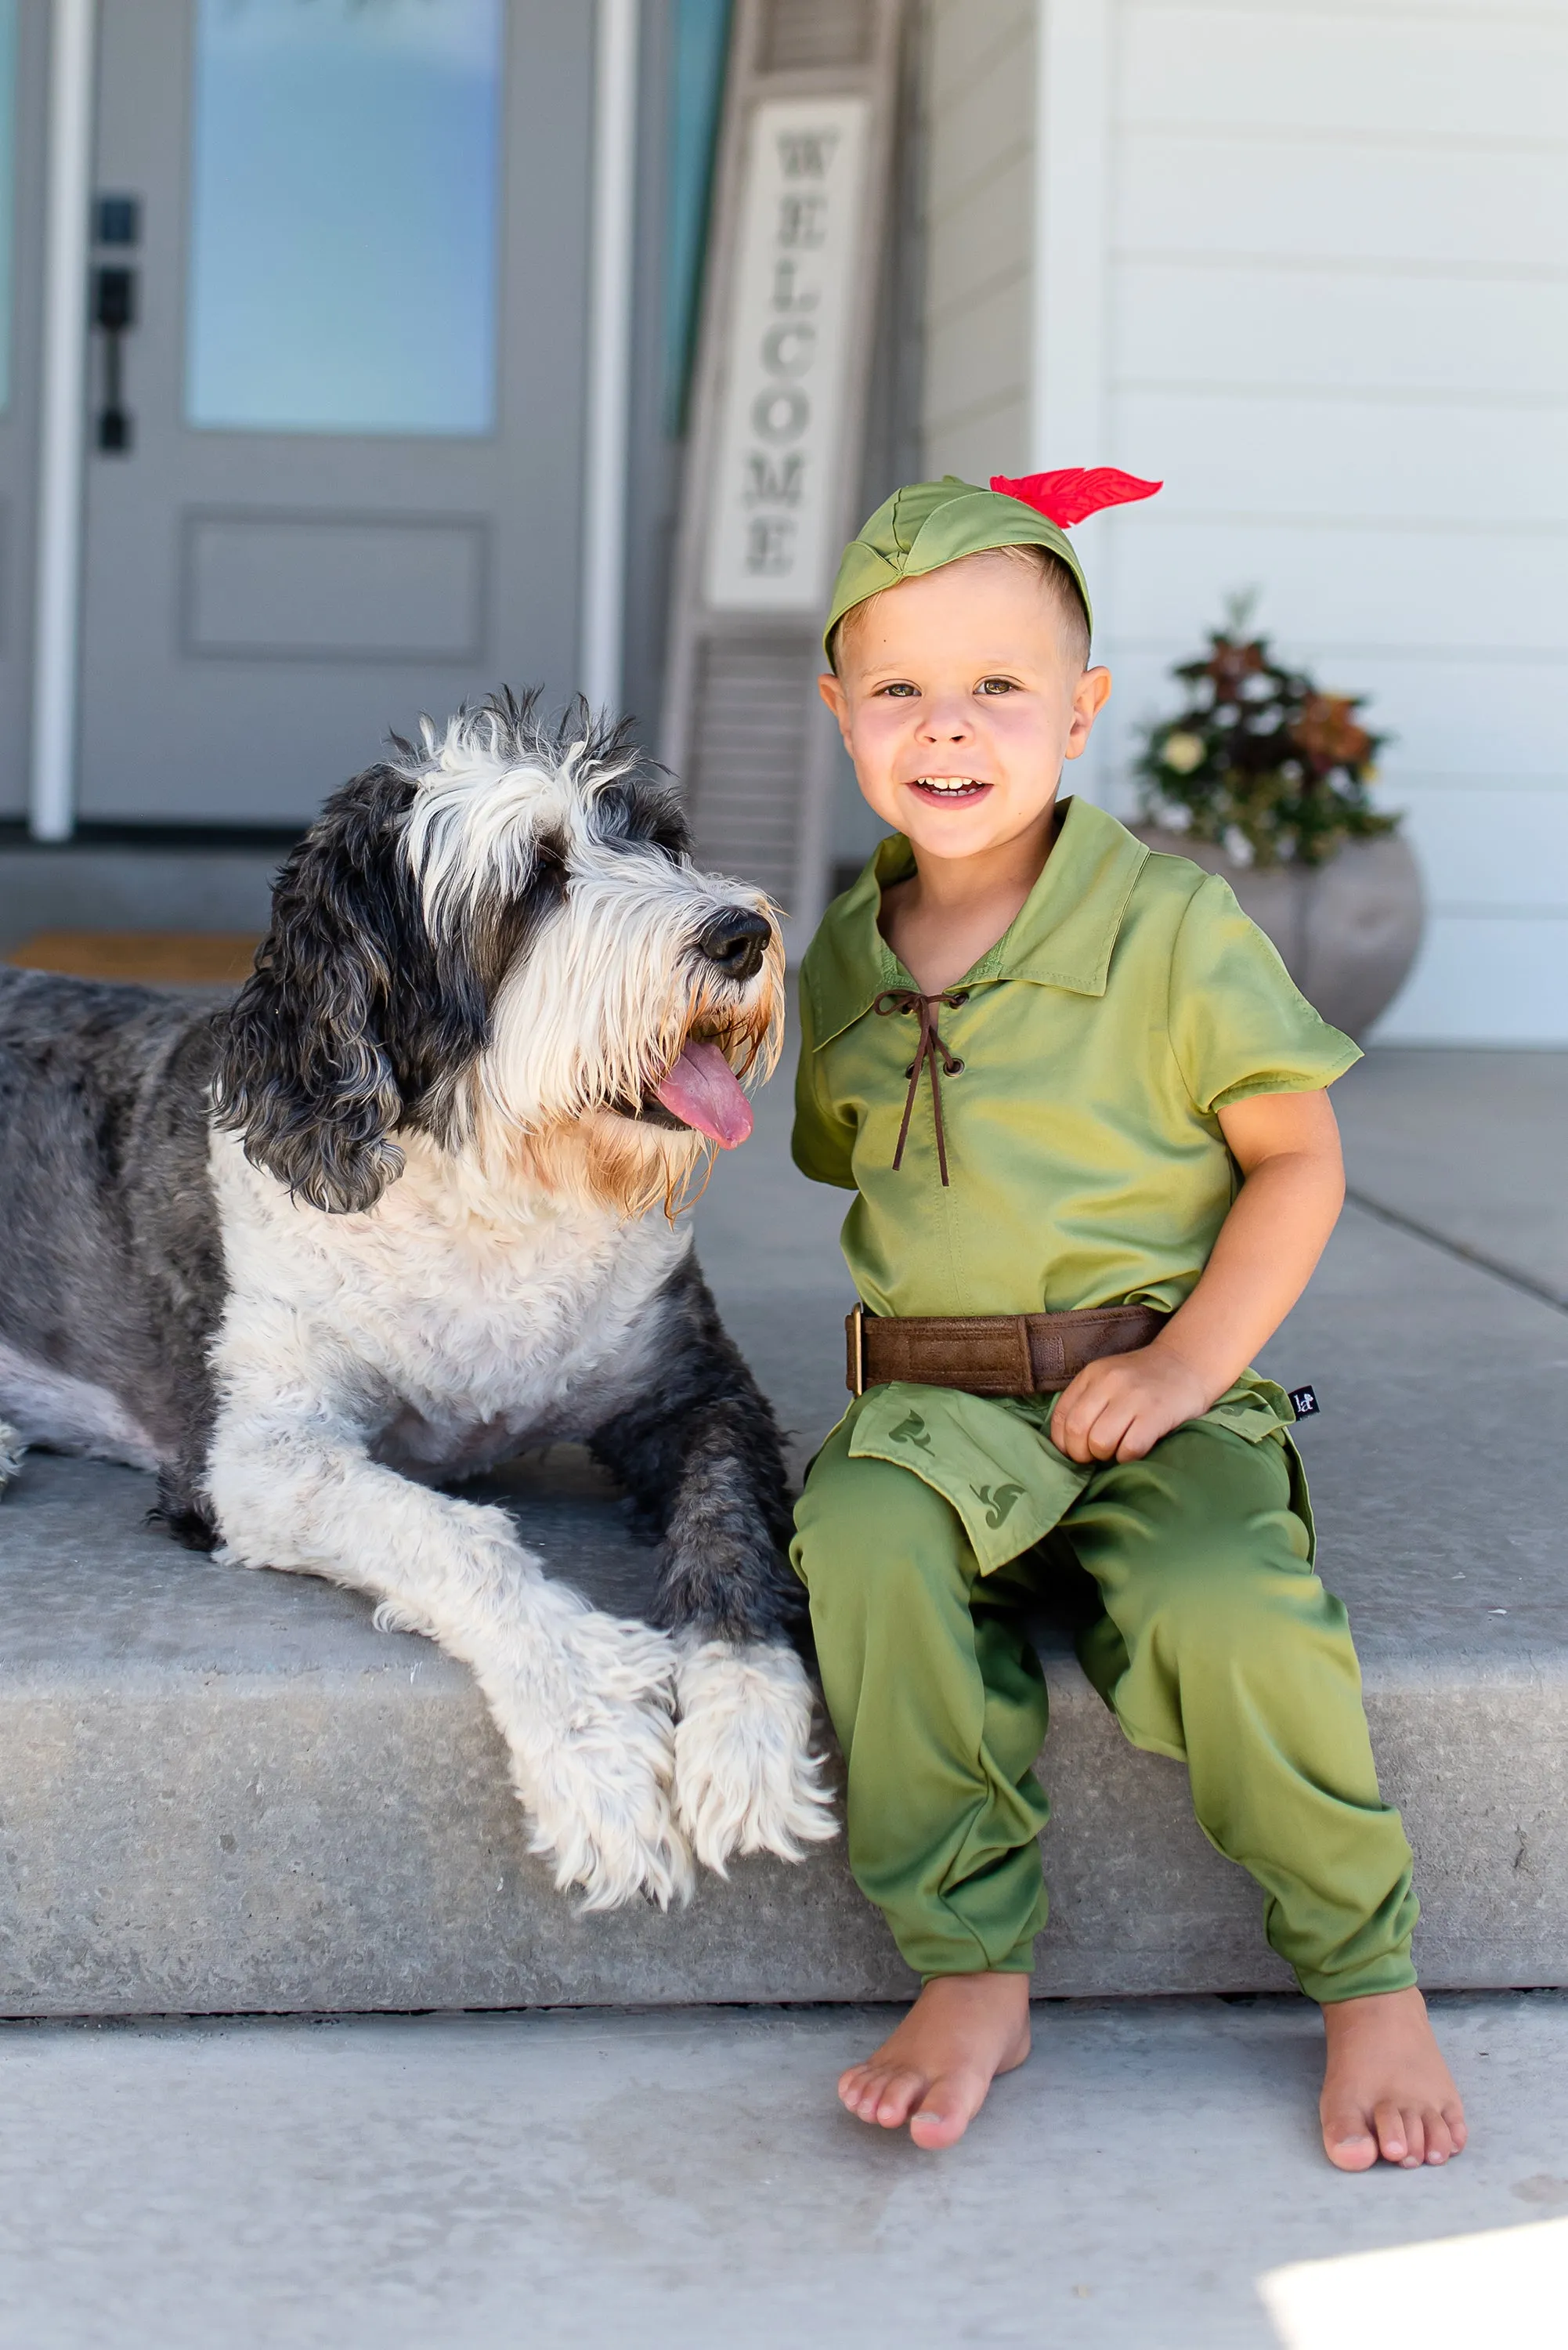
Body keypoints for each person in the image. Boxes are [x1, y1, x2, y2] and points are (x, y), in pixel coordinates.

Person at [788, 469, 1466, 2169]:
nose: (948, 728)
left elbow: (1295, 1157)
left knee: (1221, 1604)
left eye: (998, 687)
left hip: (1156, 1394)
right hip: (934, 1423)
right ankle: (967, 1963)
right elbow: (807, 1145)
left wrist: (1182, 1364)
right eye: (898, 690)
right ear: (839, 713)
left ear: (1080, 712)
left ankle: (1363, 1972)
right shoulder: (845, 962)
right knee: (856, 1537)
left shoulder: (1168, 927)